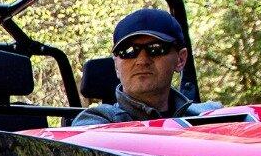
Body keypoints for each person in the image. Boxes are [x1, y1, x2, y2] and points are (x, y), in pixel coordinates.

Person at [73, 8, 222, 126]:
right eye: (128, 51)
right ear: (116, 65)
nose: (142, 60)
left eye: (155, 49)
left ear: (180, 60)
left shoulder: (211, 116)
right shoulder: (96, 124)